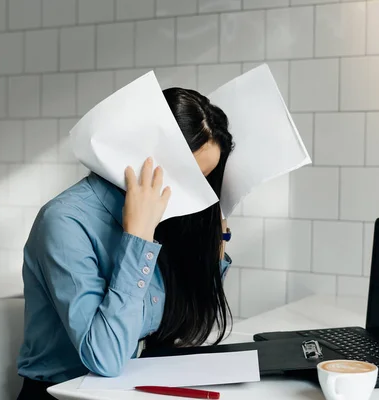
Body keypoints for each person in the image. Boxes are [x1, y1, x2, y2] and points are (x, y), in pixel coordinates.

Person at [16, 88, 235, 400]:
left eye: (202, 181)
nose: (190, 197)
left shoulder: (169, 215)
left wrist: (216, 241)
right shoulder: (64, 221)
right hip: (62, 393)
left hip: (131, 387)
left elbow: (191, 326)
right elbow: (105, 358)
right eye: (185, 177)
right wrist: (138, 238)